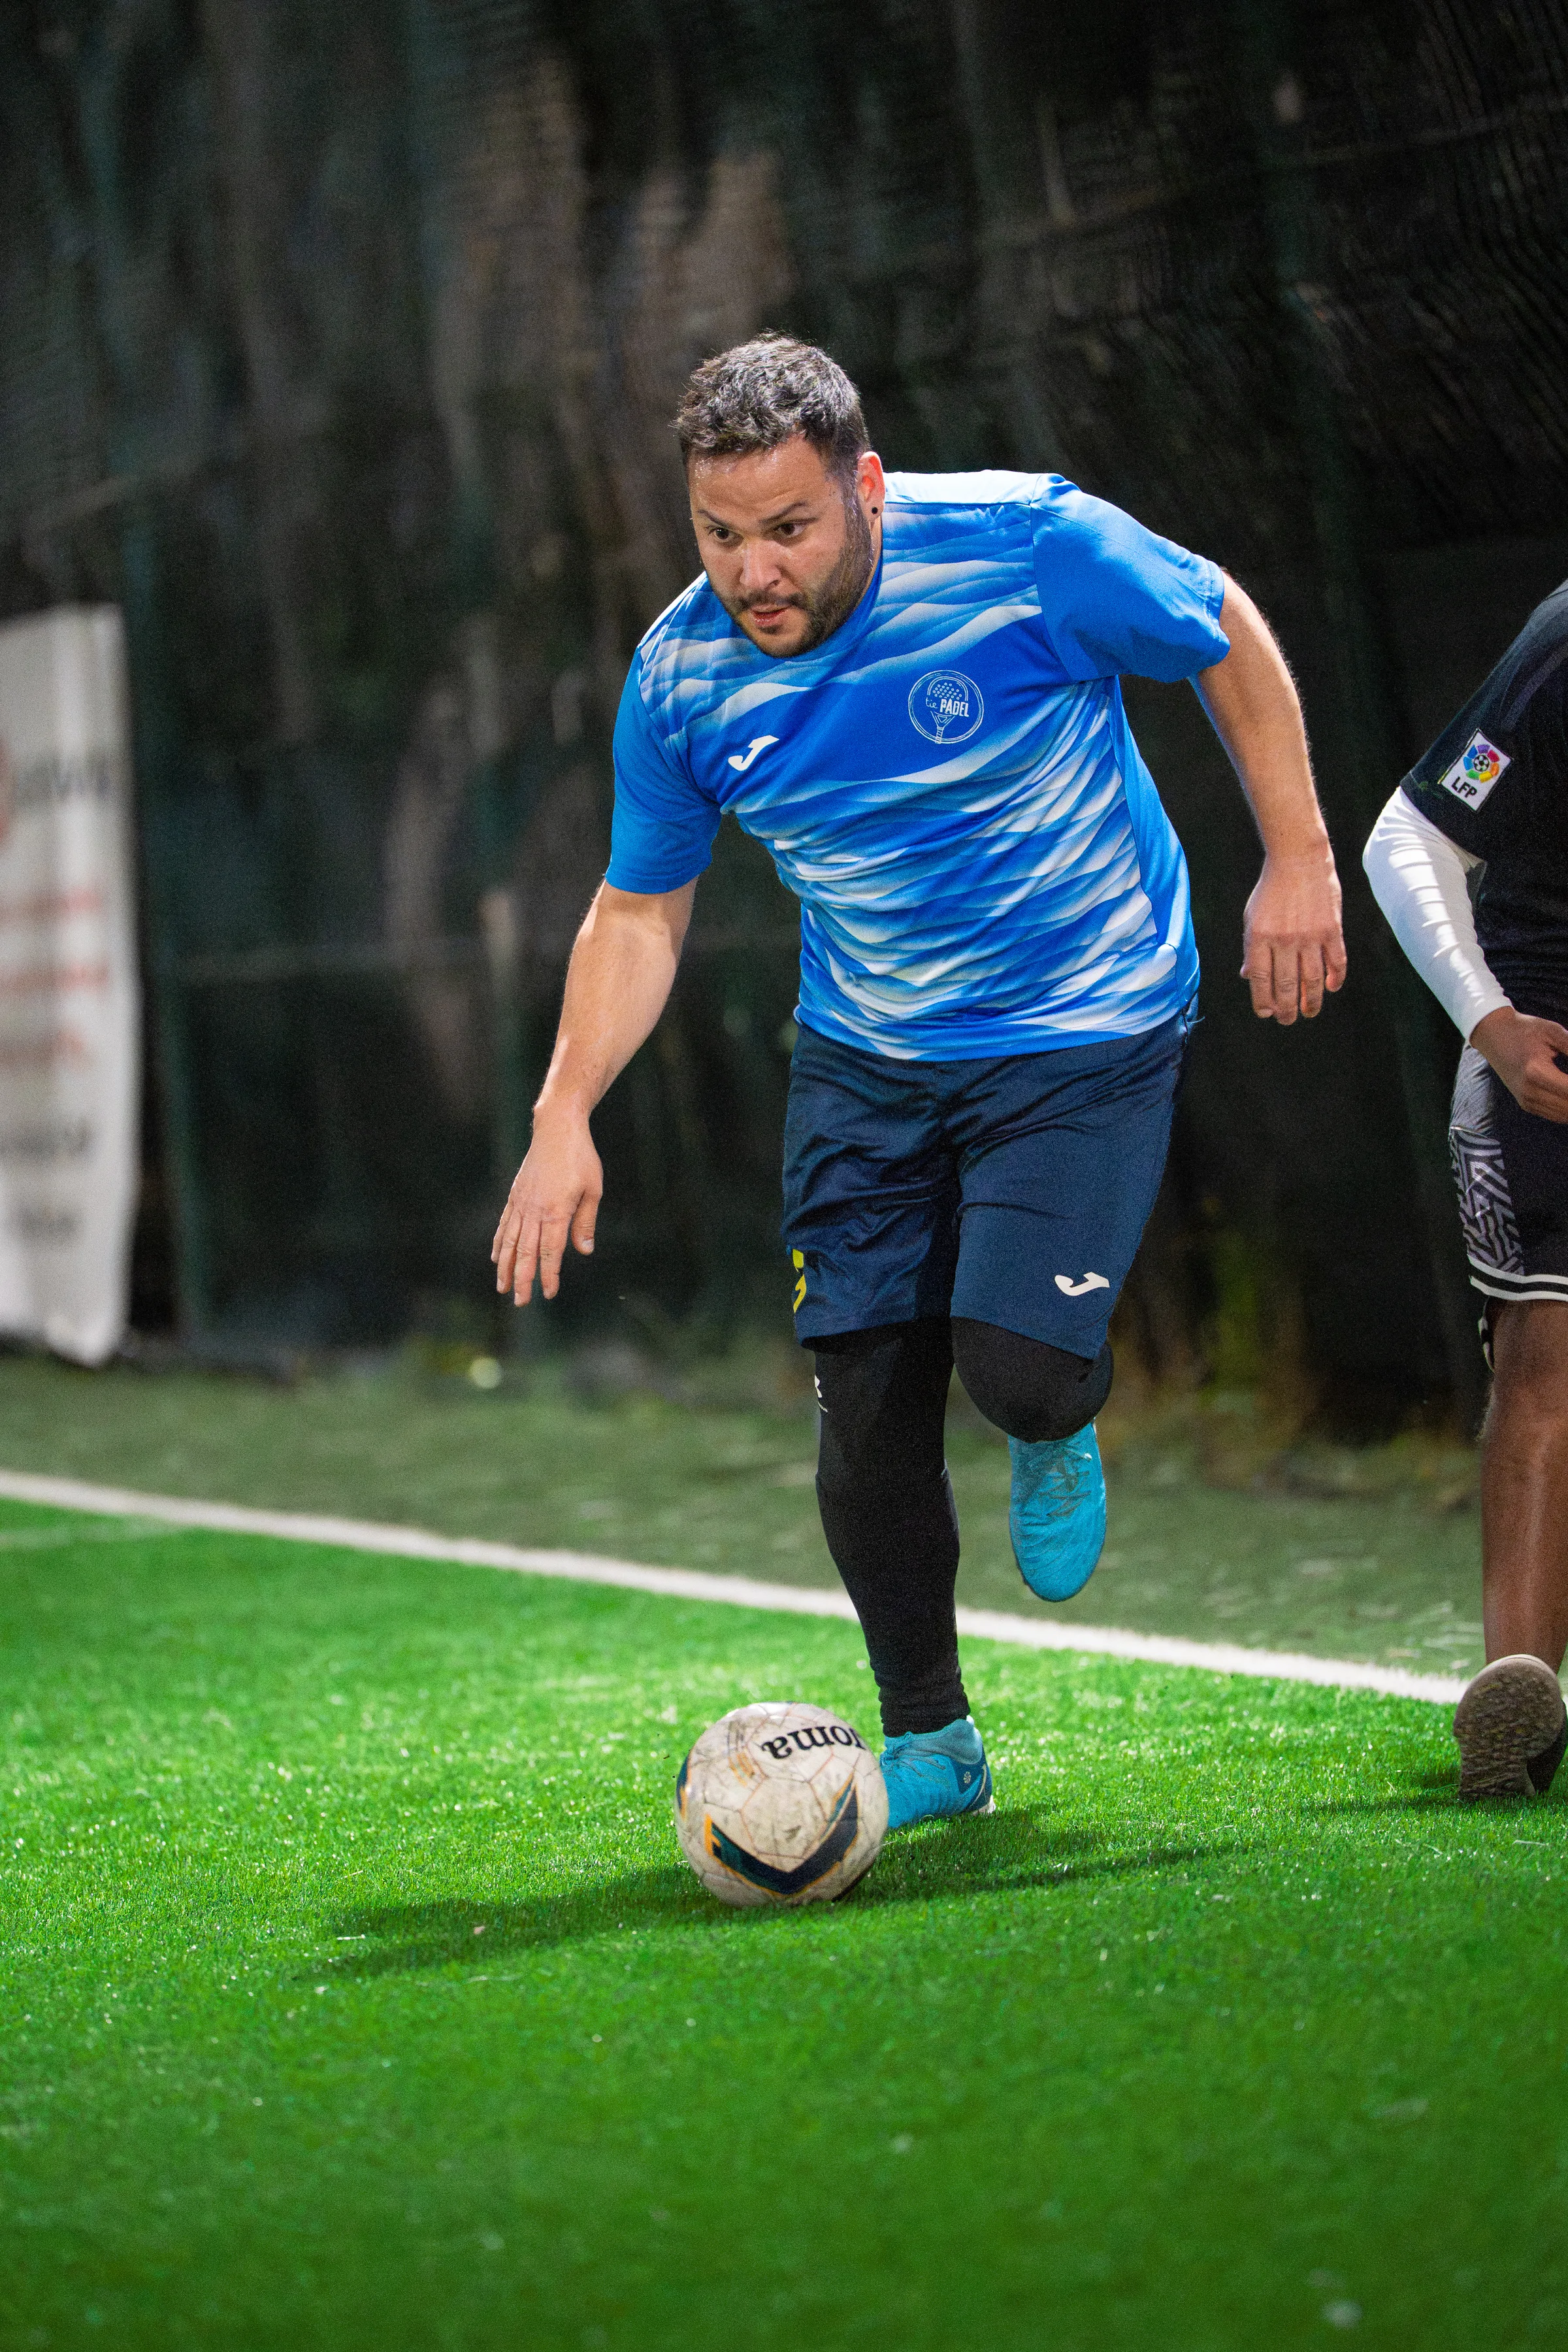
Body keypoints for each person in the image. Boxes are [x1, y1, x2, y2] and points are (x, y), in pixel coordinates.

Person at [493, 334, 1346, 1830]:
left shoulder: (1029, 550)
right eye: (719, 533)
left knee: (1014, 1370)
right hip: (871, 1053)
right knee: (865, 1407)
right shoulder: (682, 676)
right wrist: (564, 1114)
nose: (753, 569)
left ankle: (1051, 1409)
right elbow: (639, 907)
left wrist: (1298, 855)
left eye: (789, 528)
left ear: (866, 488)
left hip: (1083, 1018)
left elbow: (1220, 624)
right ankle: (934, 1737)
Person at [1364, 579, 1568, 1800]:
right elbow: (1415, 832)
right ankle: (1519, 1706)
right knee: (1549, 1355)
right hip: (1550, 1036)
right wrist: (1490, 1021)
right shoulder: (1558, 651)